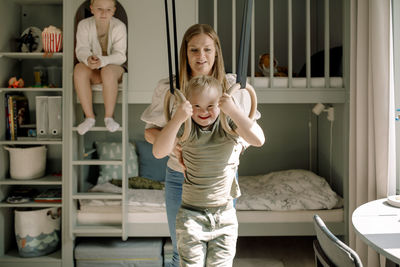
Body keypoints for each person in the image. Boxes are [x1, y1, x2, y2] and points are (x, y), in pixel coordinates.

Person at [140, 23, 259, 267]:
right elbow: (150, 133)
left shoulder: (233, 87)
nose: (201, 56)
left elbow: (250, 133)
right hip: (180, 177)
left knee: (219, 257)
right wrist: (173, 145)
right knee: (180, 253)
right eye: (194, 50)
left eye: (207, 49)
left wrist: (236, 147)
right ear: (185, 53)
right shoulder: (170, 88)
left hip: (221, 181)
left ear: (216, 51)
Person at [153, 75, 265, 266]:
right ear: (188, 106)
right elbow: (159, 151)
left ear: (220, 104)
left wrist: (234, 111)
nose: (203, 111)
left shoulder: (228, 125)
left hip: (225, 216)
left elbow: (259, 140)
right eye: (196, 106)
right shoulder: (186, 128)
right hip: (191, 217)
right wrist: (178, 118)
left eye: (211, 106)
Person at [74, 0, 127, 135]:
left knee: (107, 71)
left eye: (108, 10)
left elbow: (120, 56)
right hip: (94, 68)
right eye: (99, 9)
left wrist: (102, 61)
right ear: (91, 9)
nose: (104, 13)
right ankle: (89, 117)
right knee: (79, 69)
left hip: (114, 69)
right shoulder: (84, 25)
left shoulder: (119, 27)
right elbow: (81, 49)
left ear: (114, 10)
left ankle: (109, 116)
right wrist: (88, 59)